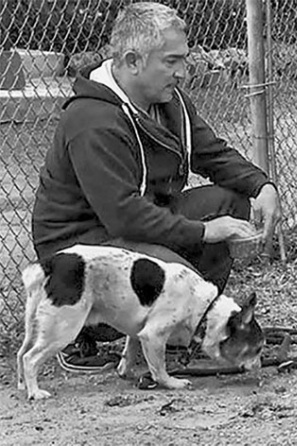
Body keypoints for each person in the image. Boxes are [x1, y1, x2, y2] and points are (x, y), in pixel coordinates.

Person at [31, 2, 281, 373]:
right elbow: (123, 216)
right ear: (133, 61)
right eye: (171, 61)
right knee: (175, 278)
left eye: (183, 59)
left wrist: (262, 185)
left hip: (134, 226)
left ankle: (188, 332)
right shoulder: (92, 121)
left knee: (226, 202)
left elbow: (211, 153)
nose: (182, 72)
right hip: (82, 247)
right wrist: (203, 231)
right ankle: (86, 335)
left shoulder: (168, 101)